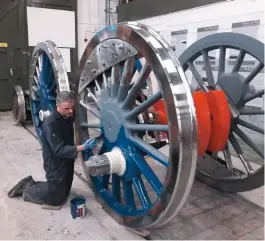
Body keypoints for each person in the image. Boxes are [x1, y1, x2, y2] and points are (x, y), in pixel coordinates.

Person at [8, 91, 97, 207]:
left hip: (68, 158)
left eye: (72, 107)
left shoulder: (68, 115)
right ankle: (27, 186)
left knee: (65, 192)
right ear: (57, 106)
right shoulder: (50, 124)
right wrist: (83, 147)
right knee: (55, 199)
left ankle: (47, 187)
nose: (70, 111)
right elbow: (59, 150)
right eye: (67, 108)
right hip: (55, 162)